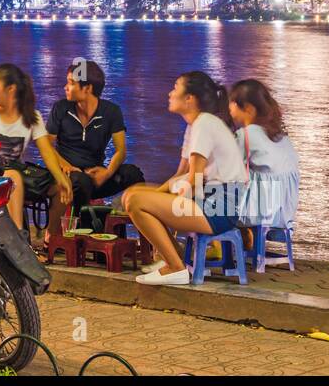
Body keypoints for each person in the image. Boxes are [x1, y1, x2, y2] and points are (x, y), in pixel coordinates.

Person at [121, 71, 247, 285]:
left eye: (175, 88)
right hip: (209, 201)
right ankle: (169, 256)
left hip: (218, 208)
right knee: (134, 193)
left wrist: (166, 197)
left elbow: (194, 180)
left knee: (136, 201)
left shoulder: (205, 124)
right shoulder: (195, 126)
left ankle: (175, 267)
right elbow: (180, 174)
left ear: (190, 98)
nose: (170, 93)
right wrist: (155, 195)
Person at [0, 63, 72, 231]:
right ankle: (17, 236)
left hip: (14, 171)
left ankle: (51, 239)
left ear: (11, 89)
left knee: (59, 187)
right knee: (12, 177)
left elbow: (46, 151)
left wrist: (61, 178)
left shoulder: (32, 117)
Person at [43, 59, 145, 240]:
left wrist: (107, 173)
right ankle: (81, 236)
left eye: (71, 83)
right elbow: (46, 145)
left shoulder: (111, 111)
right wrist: (66, 166)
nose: (65, 87)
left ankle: (147, 237)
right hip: (68, 177)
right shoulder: (61, 108)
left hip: (95, 177)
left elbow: (121, 151)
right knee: (81, 182)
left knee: (133, 173)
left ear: (87, 88)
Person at [229, 79, 299, 235]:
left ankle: (217, 246)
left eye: (232, 102)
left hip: (259, 214)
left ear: (247, 108)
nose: (229, 107)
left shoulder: (246, 135)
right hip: (284, 216)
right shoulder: (280, 135)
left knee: (209, 195)